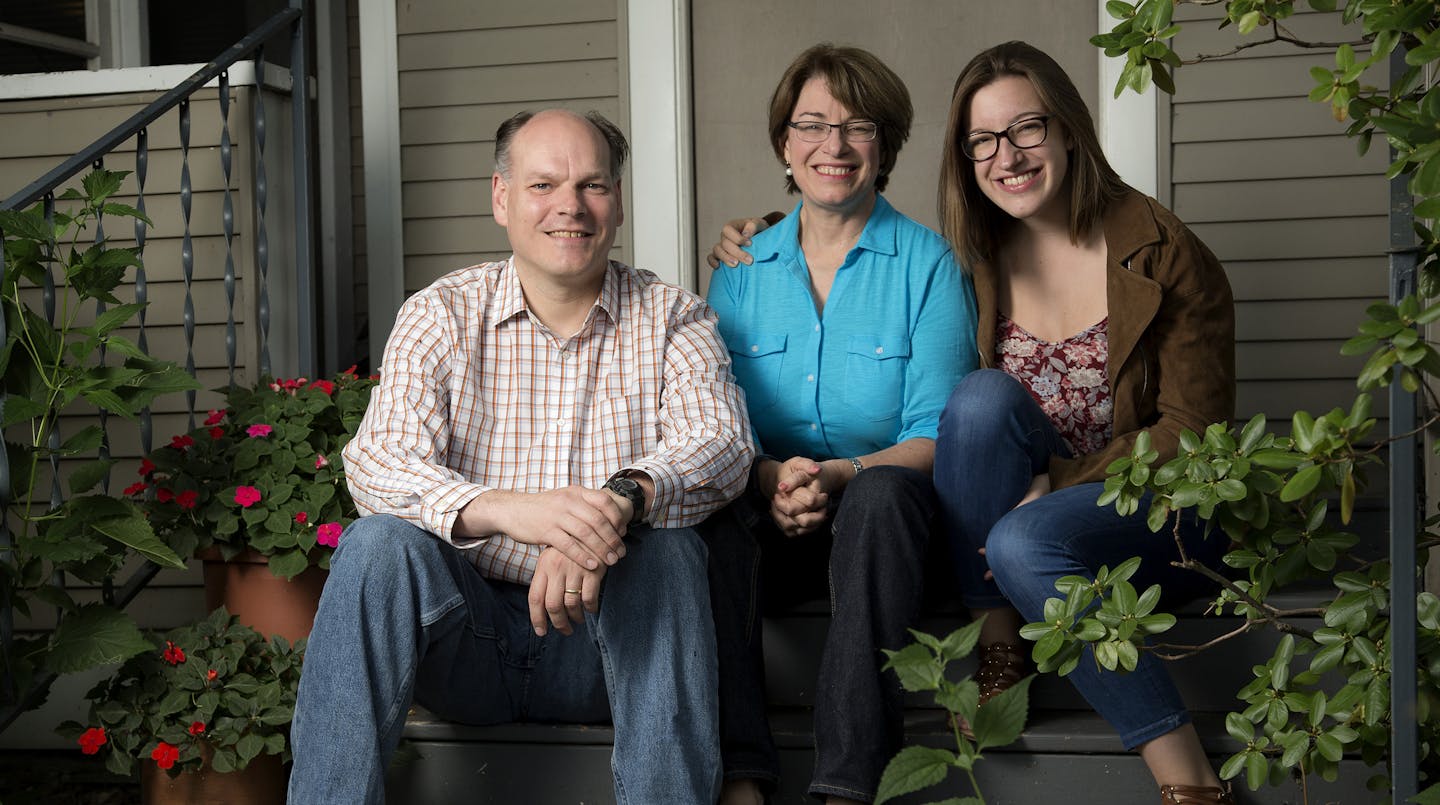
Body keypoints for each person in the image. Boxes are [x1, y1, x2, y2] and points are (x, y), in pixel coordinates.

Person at [287, 109, 754, 804]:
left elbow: (721, 442)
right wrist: (517, 512)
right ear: (501, 196)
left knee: (668, 552)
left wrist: (610, 508)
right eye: (544, 184)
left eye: (592, 184)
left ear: (618, 201)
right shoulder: (440, 313)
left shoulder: (671, 316)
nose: (570, 205)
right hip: (465, 638)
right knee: (375, 545)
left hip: (605, 640)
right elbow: (377, 462)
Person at [932, 42, 1235, 805]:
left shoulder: (1163, 252)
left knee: (1025, 538)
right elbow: (871, 266)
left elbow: (1193, 433)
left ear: (1068, 128)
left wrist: (1057, 483)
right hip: (1023, 519)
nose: (1008, 155)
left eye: (1027, 127)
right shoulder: (973, 257)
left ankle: (1192, 783)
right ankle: (1003, 650)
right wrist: (771, 230)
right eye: (984, 141)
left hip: (1160, 512)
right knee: (978, 401)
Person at [702, 43, 977, 805]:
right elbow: (713, 420)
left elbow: (937, 433)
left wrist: (840, 474)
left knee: (882, 497)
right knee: (702, 523)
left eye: (858, 127)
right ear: (784, 146)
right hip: (771, 510)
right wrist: (771, 479)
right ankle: (742, 777)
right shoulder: (740, 267)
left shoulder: (927, 266)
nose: (835, 145)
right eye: (813, 125)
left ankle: (846, 786)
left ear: (883, 146)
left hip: (887, 520)